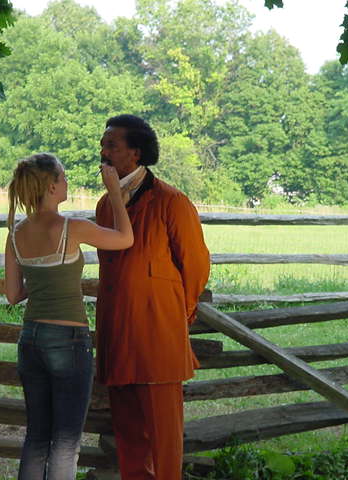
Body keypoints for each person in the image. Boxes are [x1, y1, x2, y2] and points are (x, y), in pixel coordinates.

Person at [94, 115, 211, 479]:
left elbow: (196, 266)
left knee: (164, 436)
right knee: (128, 434)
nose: (103, 151)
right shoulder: (103, 205)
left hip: (158, 334)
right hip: (117, 333)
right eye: (103, 143)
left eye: (112, 145)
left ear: (136, 152)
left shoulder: (172, 202)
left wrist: (176, 316)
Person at [4, 153, 133, 480]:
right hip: (67, 340)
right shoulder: (71, 228)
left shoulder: (16, 233)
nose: (66, 182)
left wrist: (44, 280)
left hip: (30, 340)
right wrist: (116, 193)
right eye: (62, 178)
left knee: (36, 437)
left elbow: (13, 294)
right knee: (64, 442)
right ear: (50, 186)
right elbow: (125, 239)